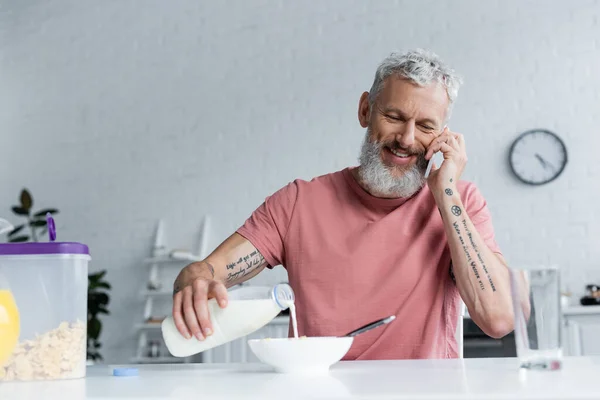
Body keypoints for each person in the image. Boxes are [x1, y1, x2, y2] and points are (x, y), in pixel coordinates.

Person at [172, 49, 513, 360]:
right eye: (394, 117)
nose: (407, 139)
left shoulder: (460, 203)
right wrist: (194, 281)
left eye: (425, 126)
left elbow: (498, 319)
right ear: (366, 110)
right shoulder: (297, 203)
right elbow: (206, 271)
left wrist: (447, 194)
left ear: (442, 135)